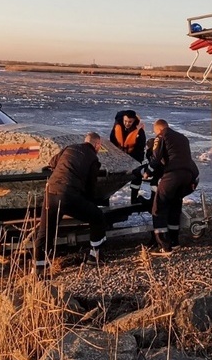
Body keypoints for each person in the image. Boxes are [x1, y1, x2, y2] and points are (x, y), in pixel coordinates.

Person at [35, 132, 107, 270]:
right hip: (69, 194)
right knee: (97, 217)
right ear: (97, 145)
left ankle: (39, 268)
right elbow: (91, 186)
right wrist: (91, 203)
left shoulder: (70, 148)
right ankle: (95, 256)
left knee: (45, 232)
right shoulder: (93, 158)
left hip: (51, 191)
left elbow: (52, 163)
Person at [144, 119, 199, 255]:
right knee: (175, 205)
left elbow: (156, 157)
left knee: (158, 207)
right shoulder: (183, 138)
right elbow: (185, 158)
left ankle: (163, 246)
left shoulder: (161, 136)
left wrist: (148, 172)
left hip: (173, 174)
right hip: (188, 175)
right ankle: (174, 242)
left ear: (158, 129)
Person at [109, 109, 148, 203]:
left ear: (134, 121)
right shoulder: (117, 127)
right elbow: (112, 143)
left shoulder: (139, 132)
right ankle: (106, 197)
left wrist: (135, 163)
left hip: (134, 156)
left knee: (137, 175)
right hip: (118, 155)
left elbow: (140, 149)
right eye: (125, 121)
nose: (127, 123)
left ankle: (134, 198)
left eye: (130, 122)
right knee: (111, 176)